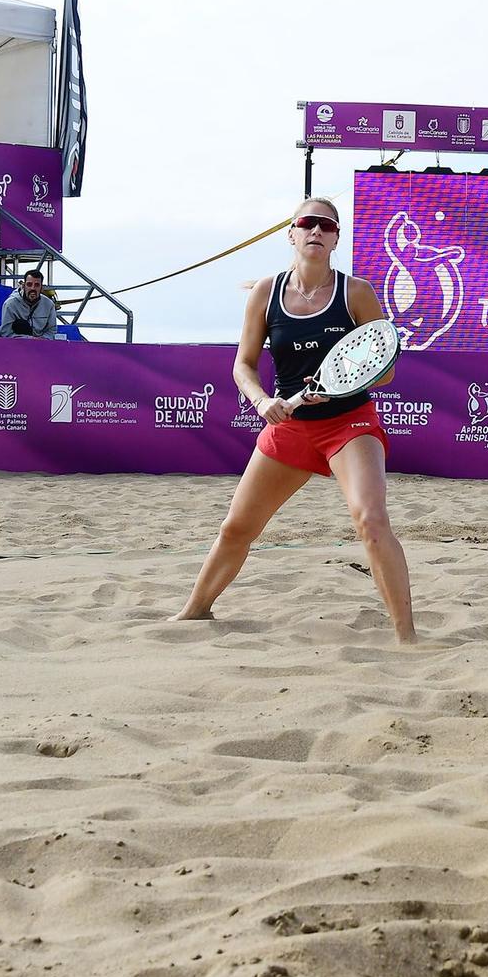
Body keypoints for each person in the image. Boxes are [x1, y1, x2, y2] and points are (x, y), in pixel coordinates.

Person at [173, 197, 415, 644]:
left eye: (327, 225)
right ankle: (194, 612)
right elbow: (242, 365)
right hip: (289, 424)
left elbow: (386, 366)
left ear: (337, 237)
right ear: (292, 233)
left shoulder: (356, 292)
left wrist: (336, 390)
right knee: (236, 528)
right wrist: (263, 401)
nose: (316, 231)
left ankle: (407, 637)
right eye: (307, 223)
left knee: (371, 519)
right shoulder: (266, 292)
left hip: (348, 422)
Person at [0, 268, 60, 338]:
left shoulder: (49, 304)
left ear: (41, 288)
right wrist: (30, 339)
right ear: (23, 286)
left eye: (36, 285)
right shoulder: (10, 304)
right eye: (29, 284)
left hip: (42, 345)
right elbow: (5, 333)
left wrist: (43, 340)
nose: (32, 288)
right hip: (16, 345)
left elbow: (52, 331)